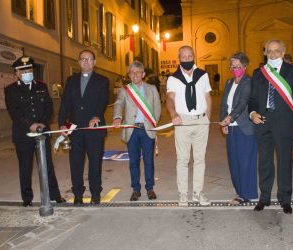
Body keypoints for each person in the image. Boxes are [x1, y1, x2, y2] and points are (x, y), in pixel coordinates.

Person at [249, 39, 293, 214]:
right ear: (265, 53)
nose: (273, 54)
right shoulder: (258, 73)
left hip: (285, 122)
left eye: (277, 51)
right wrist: (252, 113)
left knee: (285, 162)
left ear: (283, 52)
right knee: (265, 162)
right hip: (263, 122)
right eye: (269, 51)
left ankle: (285, 198)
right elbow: (252, 99)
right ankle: (264, 197)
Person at [4, 56, 65, 207]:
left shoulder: (41, 87)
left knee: (47, 165)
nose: (27, 72)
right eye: (23, 70)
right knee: (25, 167)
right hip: (23, 135)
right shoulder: (11, 90)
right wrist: (30, 125)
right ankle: (27, 198)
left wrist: (42, 124)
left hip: (42, 132)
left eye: (29, 69)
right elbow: (14, 112)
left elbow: (49, 109)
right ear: (16, 73)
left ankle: (55, 194)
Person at [58, 50, 109, 205]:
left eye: (89, 59)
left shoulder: (102, 80)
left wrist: (97, 115)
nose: (86, 62)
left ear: (94, 62)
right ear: (78, 62)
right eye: (82, 59)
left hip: (94, 129)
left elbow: (103, 101)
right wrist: (61, 122)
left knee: (95, 163)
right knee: (76, 164)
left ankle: (95, 193)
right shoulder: (71, 80)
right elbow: (66, 103)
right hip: (76, 130)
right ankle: (78, 194)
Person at [166, 45, 212, 206]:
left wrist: (208, 119)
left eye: (189, 56)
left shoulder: (203, 75)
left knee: (200, 159)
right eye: (183, 57)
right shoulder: (173, 78)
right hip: (182, 122)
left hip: (201, 121)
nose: (187, 59)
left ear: (194, 56)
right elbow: (169, 99)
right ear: (179, 58)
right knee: (183, 159)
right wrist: (173, 114)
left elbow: (208, 97)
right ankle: (183, 194)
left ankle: (198, 193)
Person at [113, 61, 161, 201]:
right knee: (133, 161)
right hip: (131, 130)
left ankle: (150, 188)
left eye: (137, 72)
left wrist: (153, 122)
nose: (134, 74)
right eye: (131, 72)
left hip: (147, 129)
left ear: (143, 74)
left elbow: (157, 108)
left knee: (148, 161)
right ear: (129, 75)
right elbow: (118, 104)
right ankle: (136, 189)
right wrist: (117, 117)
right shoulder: (125, 90)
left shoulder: (152, 88)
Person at [219, 52, 258, 205]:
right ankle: (239, 191)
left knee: (245, 162)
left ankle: (246, 194)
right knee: (234, 161)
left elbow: (243, 103)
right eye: (233, 66)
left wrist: (230, 118)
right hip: (231, 128)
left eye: (238, 66)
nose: (235, 69)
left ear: (245, 66)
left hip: (244, 127)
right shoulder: (229, 82)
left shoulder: (248, 82)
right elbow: (224, 104)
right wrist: (223, 121)